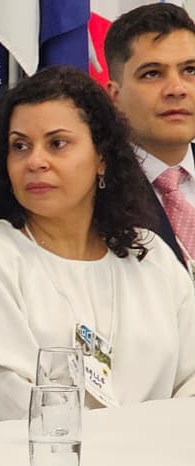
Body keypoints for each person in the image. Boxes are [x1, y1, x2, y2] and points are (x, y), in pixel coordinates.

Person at [0, 66, 195, 430]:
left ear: (102, 158)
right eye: (20, 146)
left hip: (155, 456)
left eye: (57, 143)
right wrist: (120, 441)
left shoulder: (148, 255)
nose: (35, 161)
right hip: (32, 459)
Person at [106, 2, 195, 270]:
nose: (177, 89)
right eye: (152, 73)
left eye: (190, 70)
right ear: (115, 97)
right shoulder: (94, 191)